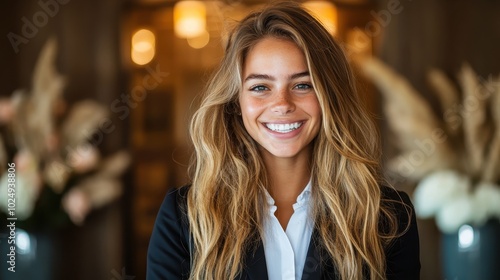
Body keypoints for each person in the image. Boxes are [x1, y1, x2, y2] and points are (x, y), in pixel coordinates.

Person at [147, 2, 420, 279]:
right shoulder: (184, 218)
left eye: (302, 85)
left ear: (329, 97)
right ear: (235, 102)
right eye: (260, 87)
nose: (282, 104)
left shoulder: (388, 217)